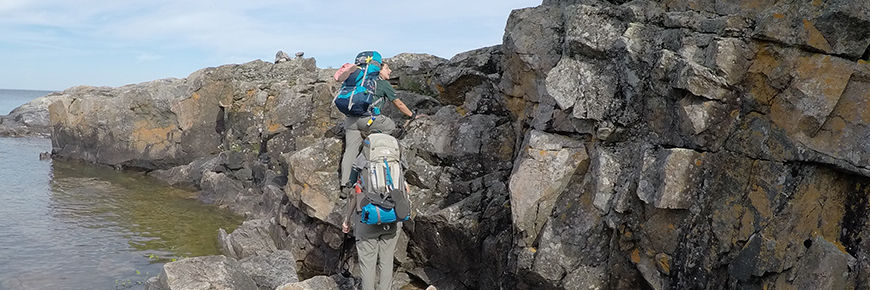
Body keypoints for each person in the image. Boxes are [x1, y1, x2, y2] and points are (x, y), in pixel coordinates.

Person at [340, 62, 419, 188]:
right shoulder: (381, 83)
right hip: (369, 120)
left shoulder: (358, 82)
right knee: (392, 128)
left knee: (350, 151)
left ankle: (346, 184)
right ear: (379, 70)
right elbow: (398, 104)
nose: (390, 71)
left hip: (351, 121)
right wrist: (412, 116)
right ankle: (370, 145)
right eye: (387, 68)